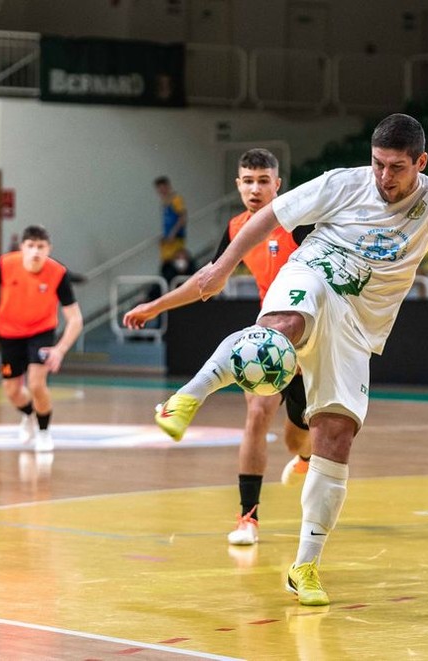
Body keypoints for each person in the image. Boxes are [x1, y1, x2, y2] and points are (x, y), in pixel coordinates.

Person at [153, 114, 428, 606]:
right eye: (378, 164)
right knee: (279, 334)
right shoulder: (343, 183)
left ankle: (304, 565)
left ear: (421, 163)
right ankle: (185, 398)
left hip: (358, 326)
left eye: (396, 168)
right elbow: (272, 217)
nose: (384, 177)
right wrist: (221, 268)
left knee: (335, 434)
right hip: (314, 275)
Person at [125, 149, 312, 547]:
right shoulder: (238, 228)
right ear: (238, 185)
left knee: (300, 439)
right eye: (248, 181)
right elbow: (207, 279)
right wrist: (155, 305)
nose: (255, 189)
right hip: (269, 343)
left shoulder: (298, 223)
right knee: (257, 414)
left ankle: (307, 458)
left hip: (312, 338)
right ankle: (248, 518)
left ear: (278, 184)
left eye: (264, 181)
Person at [0, 225, 84, 453]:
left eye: (41, 246)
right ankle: (30, 415)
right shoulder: (5, 264)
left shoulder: (58, 274)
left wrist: (60, 350)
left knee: (36, 383)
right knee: (11, 390)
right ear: (22, 247)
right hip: (9, 332)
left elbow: (75, 319)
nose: (35, 252)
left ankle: (44, 432)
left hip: (41, 331)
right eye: (30, 246)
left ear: (49, 249)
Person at [154, 175, 188, 264]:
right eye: (159, 189)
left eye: (163, 188)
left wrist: (173, 233)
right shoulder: (164, 202)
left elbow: (182, 218)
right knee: (165, 261)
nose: (161, 191)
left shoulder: (176, 200)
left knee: (176, 262)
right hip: (167, 238)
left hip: (176, 238)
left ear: (168, 187)